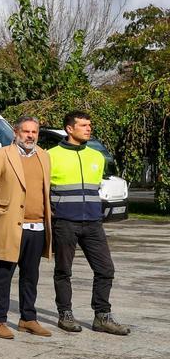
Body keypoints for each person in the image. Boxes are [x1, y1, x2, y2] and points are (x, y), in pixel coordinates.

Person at [49, 111, 130, 335]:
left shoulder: (96, 156)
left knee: (106, 269)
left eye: (89, 125)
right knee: (63, 270)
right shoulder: (50, 156)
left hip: (93, 223)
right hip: (65, 222)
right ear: (69, 129)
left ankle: (102, 316)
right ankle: (65, 314)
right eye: (83, 125)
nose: (88, 129)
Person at [0, 117, 52, 339]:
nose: (30, 136)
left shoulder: (44, 156)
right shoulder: (1, 155)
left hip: (37, 226)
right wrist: (0, 208)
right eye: (25, 131)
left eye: (34, 132)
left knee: (31, 275)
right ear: (16, 132)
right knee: (4, 274)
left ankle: (27, 318)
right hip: (11, 225)